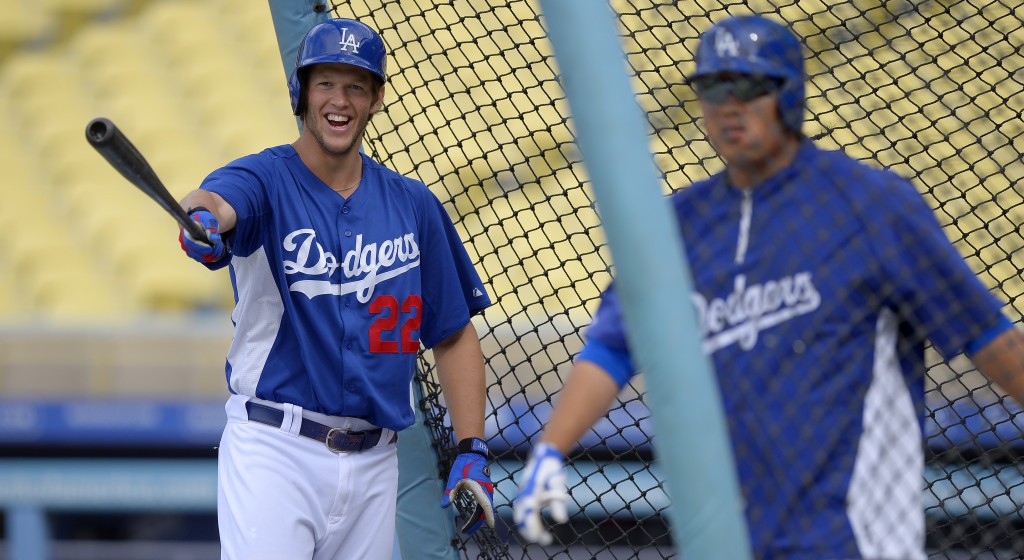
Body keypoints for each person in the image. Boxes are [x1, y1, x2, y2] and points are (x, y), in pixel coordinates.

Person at [513, 14, 1024, 560]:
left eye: (749, 88)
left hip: (854, 543)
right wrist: (549, 450)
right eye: (713, 89)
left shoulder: (872, 205)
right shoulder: (680, 226)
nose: (728, 107)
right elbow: (613, 347)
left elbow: (986, 335)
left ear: (789, 94)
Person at [176, 18, 495, 560]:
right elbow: (213, 202)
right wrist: (201, 224)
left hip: (376, 463)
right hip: (276, 450)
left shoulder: (413, 205)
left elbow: (453, 333)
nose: (339, 100)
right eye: (325, 83)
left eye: (355, 85)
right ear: (301, 92)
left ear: (376, 98)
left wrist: (471, 447)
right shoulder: (264, 178)